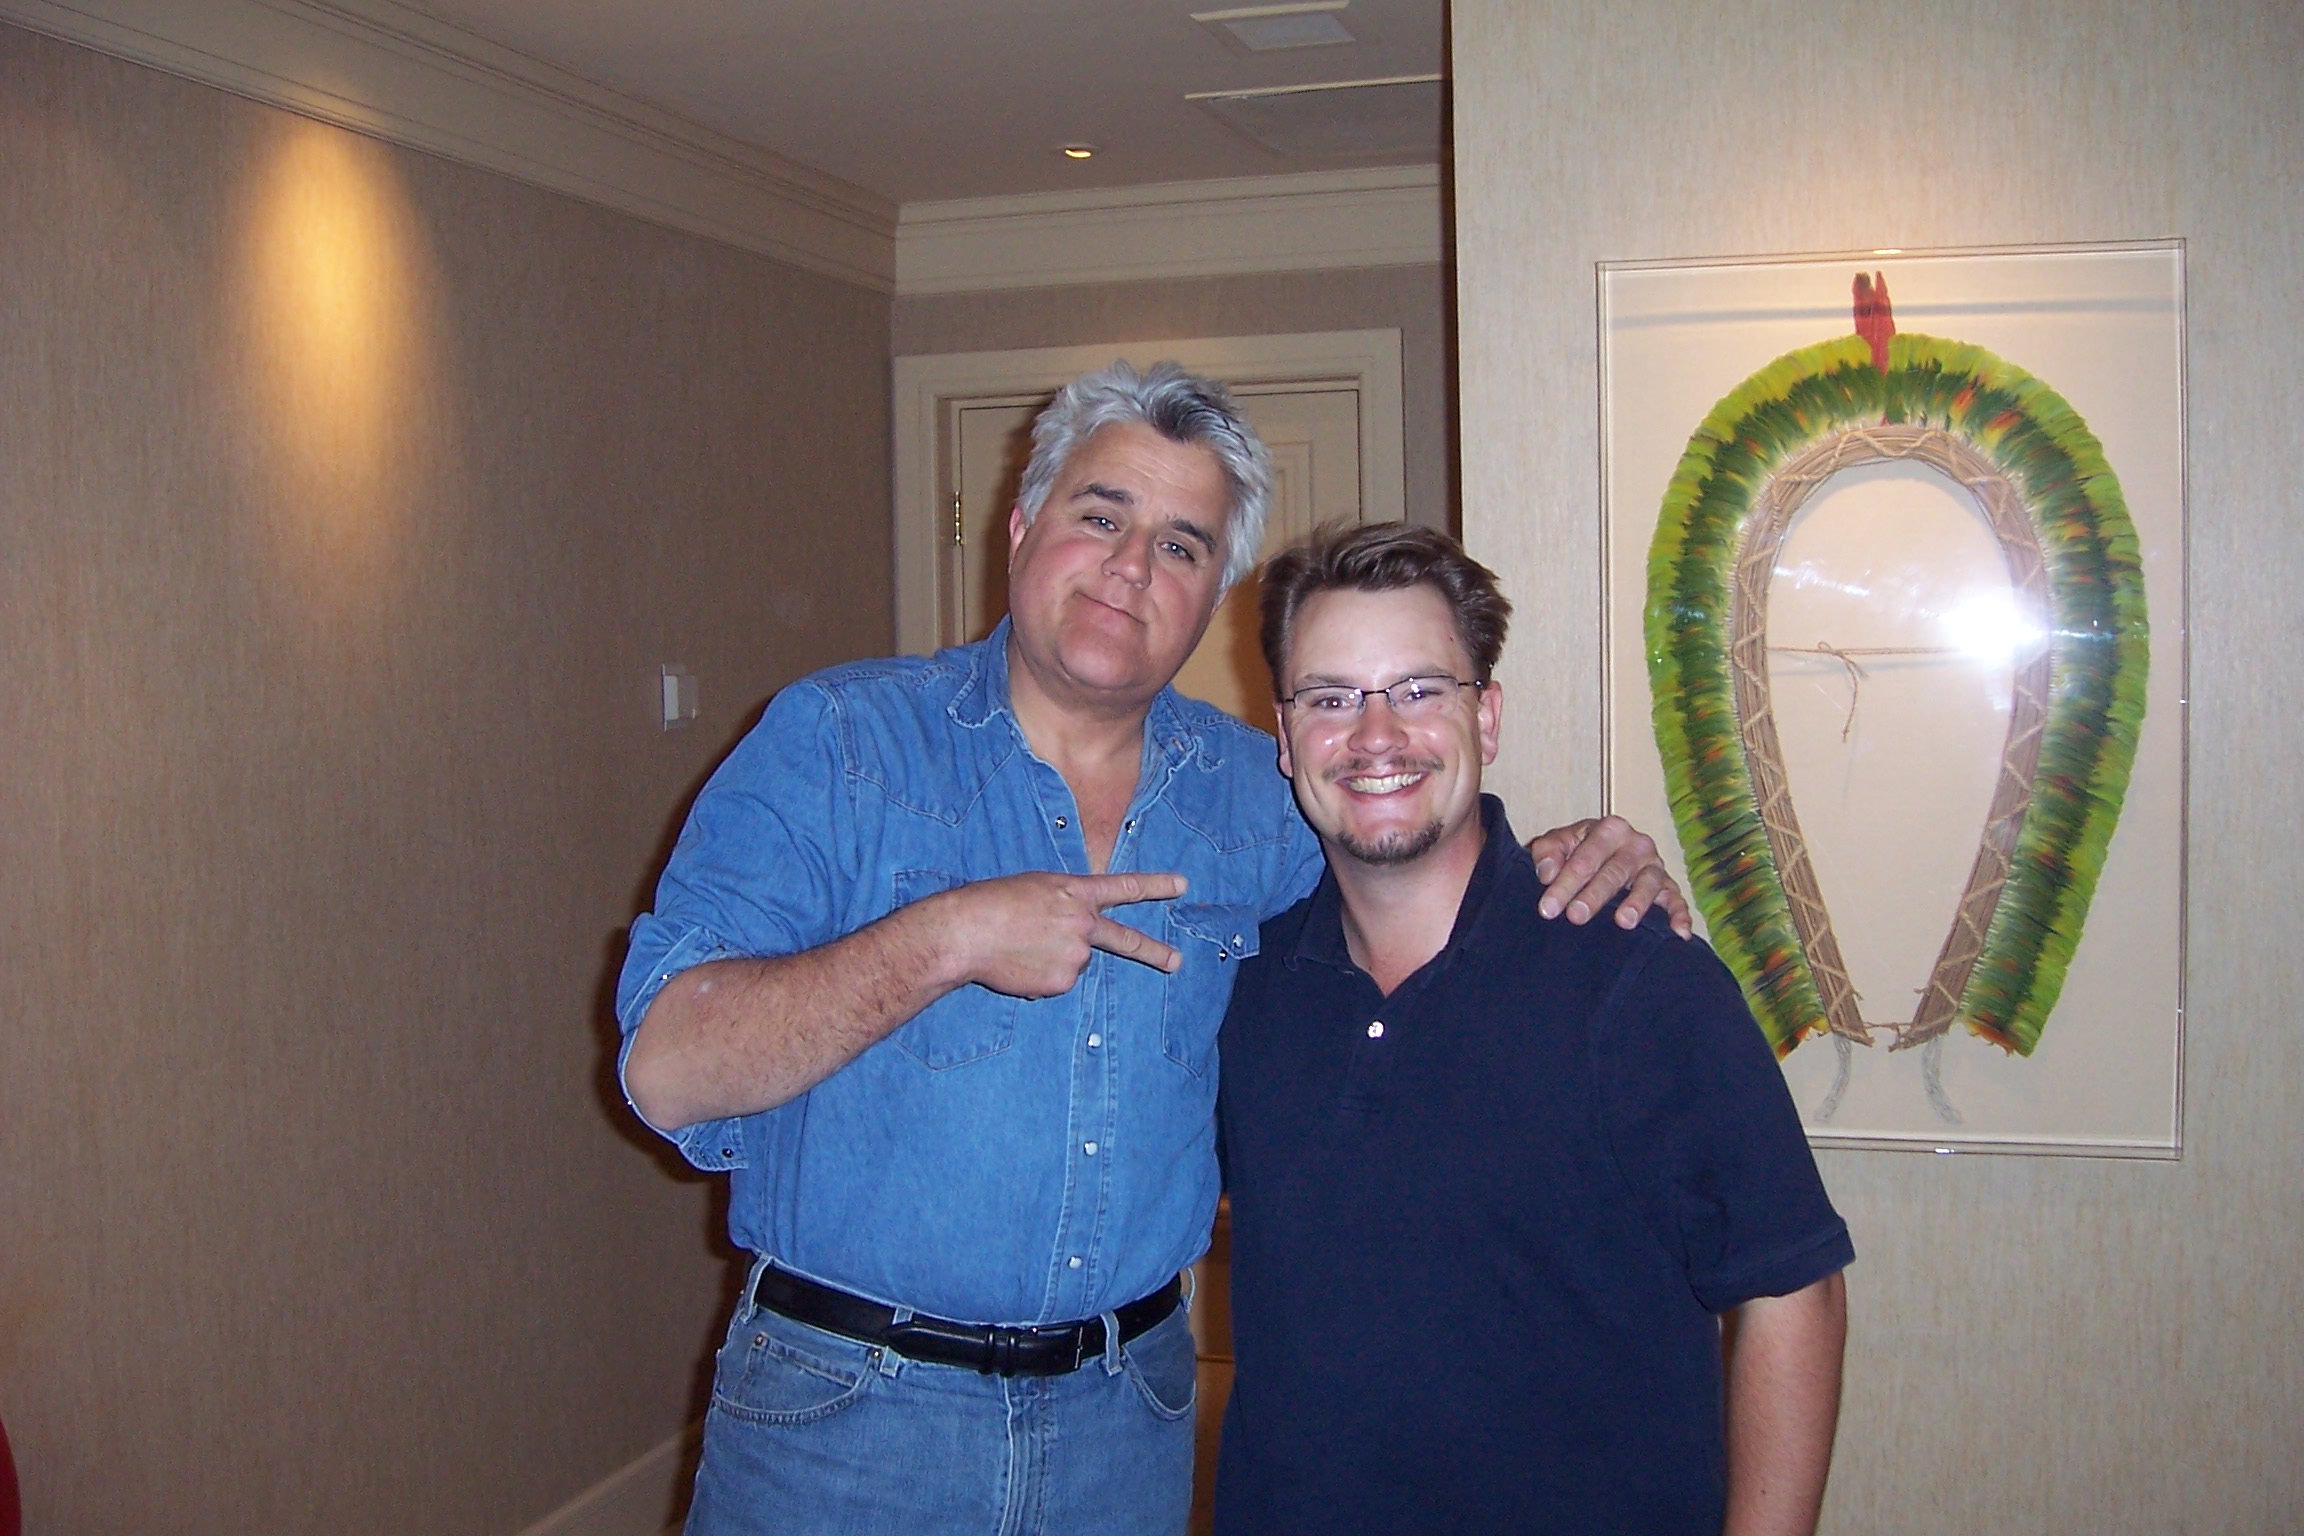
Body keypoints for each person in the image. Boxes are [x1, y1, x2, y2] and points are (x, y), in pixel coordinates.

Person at [614, 363, 1686, 1536]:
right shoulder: (838, 742)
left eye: (1182, 546)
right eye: (1101, 515)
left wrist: (1568, 864)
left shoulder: (1259, 798)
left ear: (1213, 596)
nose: (1133, 565)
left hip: (1122, 1427)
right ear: (1022, 529)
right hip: (849, 1425)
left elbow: (1418, 903)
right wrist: (949, 935)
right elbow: (669, 1068)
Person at [1215, 522, 1854, 1536]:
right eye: (1331, 699)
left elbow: (1794, 1293)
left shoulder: (1640, 977)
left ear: (1489, 716)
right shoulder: (1244, 992)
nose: (1376, 737)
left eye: (1421, 689)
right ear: (1285, 738)